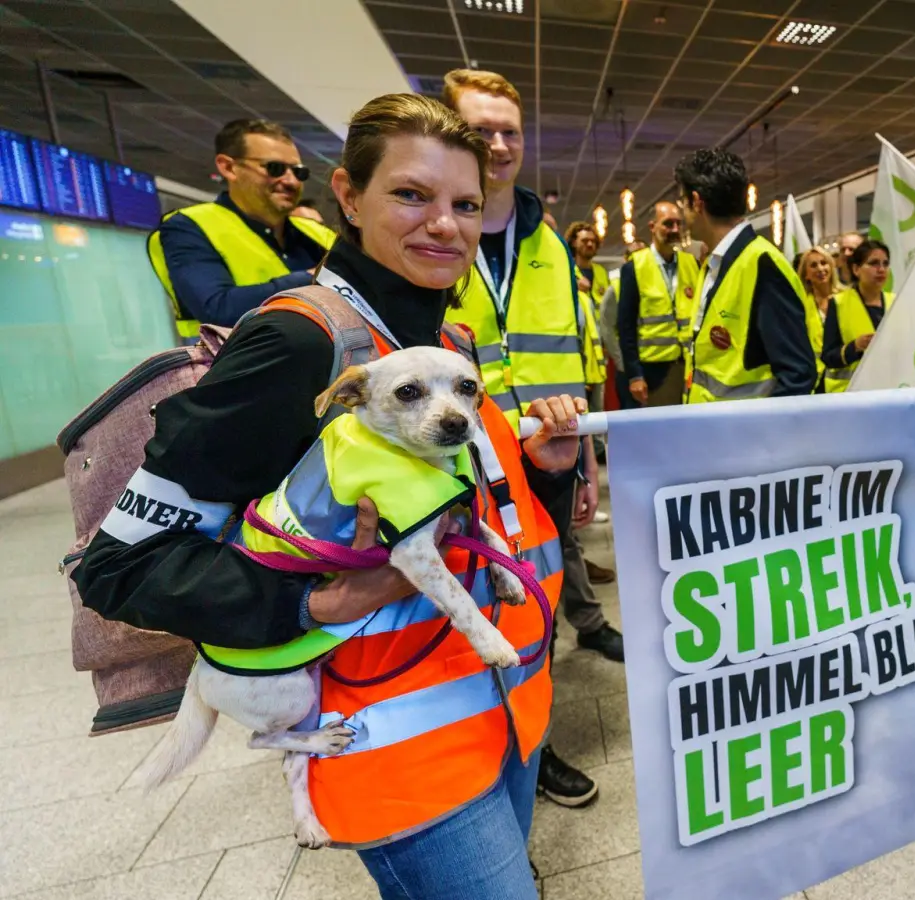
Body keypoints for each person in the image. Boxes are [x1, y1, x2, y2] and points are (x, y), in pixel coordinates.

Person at [76, 93, 576, 899]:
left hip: (502, 706)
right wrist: (312, 605)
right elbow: (119, 569)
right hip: (393, 746)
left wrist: (544, 466)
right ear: (346, 195)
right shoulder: (299, 341)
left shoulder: (441, 345)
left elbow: (447, 500)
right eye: (411, 195)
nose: (444, 225)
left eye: (465, 204)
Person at [440, 68, 611, 811]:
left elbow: (573, 353)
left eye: (511, 129)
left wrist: (588, 465)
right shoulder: (435, 233)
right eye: (482, 129)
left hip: (544, 461)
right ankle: (501, 752)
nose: (500, 143)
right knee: (472, 605)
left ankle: (532, 741)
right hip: (457, 460)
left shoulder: (548, 243)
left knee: (533, 597)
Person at [149, 118, 336, 341]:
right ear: (229, 167)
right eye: (275, 168)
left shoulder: (315, 233)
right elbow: (217, 309)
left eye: (299, 172)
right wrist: (313, 278)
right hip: (241, 368)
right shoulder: (189, 226)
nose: (291, 181)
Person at [676, 148, 821, 401]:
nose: (682, 215)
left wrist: (760, 437)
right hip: (710, 430)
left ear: (697, 202)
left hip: (742, 436)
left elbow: (798, 374)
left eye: (683, 202)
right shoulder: (715, 263)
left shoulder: (762, 264)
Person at [617, 201, 702, 408]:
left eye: (678, 224)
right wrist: (634, 375)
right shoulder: (634, 267)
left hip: (690, 366)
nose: (674, 229)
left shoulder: (692, 263)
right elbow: (625, 327)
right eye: (668, 224)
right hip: (654, 370)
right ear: (652, 226)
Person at [822, 240, 893, 392]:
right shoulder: (838, 303)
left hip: (891, 391)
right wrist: (855, 347)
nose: (881, 269)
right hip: (852, 395)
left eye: (885, 264)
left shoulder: (895, 301)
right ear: (856, 269)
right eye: (873, 263)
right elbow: (828, 357)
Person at [566, 221, 610, 422]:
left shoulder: (601, 273)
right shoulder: (567, 273)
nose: (590, 244)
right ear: (574, 243)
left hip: (600, 354)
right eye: (585, 240)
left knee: (599, 418)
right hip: (578, 356)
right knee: (579, 418)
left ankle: (600, 454)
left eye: (593, 241)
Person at [796, 246, 838, 321]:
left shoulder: (847, 296)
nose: (820, 269)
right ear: (806, 274)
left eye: (823, 263)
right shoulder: (802, 306)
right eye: (813, 265)